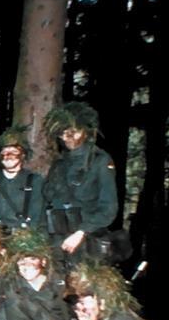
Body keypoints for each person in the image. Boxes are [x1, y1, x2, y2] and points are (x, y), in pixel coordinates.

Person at [42, 102, 119, 264]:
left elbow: (109, 208)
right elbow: (48, 200)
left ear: (85, 131)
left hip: (85, 240)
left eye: (72, 133)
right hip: (57, 240)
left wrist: (81, 232)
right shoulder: (59, 163)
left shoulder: (100, 161)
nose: (66, 138)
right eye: (62, 133)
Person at [0, 126, 45, 234]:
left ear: (22, 155)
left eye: (13, 152)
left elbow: (38, 216)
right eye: (4, 152)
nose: (8, 156)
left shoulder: (34, 181)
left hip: (24, 235)